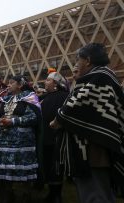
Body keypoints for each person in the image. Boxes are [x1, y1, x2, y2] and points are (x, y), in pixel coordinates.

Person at [50, 43, 124, 203]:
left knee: (94, 195)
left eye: (78, 60)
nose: (75, 64)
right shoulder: (102, 77)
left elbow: (75, 105)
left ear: (88, 60)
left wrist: (57, 119)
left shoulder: (99, 77)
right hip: (93, 146)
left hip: (93, 149)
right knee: (98, 192)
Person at [0, 75, 41, 203]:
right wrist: (0, 120)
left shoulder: (29, 97)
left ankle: (26, 194)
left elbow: (34, 117)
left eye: (11, 83)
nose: (8, 85)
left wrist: (12, 121)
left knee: (23, 167)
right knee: (6, 168)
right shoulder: (4, 99)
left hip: (22, 142)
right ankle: (8, 193)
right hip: (4, 141)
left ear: (19, 85)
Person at [41, 72, 69, 203]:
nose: (45, 82)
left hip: (59, 137)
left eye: (48, 80)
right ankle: (52, 193)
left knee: (56, 166)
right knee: (48, 165)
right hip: (46, 137)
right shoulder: (46, 97)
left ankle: (57, 195)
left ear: (56, 84)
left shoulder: (64, 97)